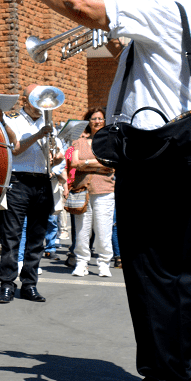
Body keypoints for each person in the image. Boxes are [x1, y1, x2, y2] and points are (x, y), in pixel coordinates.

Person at [0, 0, 191, 381]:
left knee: (149, 271)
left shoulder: (163, 7)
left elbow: (84, 7)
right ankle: (179, 370)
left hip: (159, 157)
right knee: (177, 273)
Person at [0, 86, 57, 305]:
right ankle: (7, 285)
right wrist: (39, 134)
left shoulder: (49, 121)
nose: (40, 105)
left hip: (42, 181)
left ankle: (30, 284)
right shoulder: (13, 118)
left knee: (37, 238)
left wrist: (57, 154)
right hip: (19, 180)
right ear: (26, 101)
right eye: (36, 100)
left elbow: (57, 156)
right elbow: (15, 149)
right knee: (11, 237)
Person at [68, 108, 115, 277]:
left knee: (103, 229)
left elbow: (111, 164)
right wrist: (98, 164)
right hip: (82, 190)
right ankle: (81, 262)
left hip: (104, 191)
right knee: (82, 230)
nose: (97, 121)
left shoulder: (110, 141)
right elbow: (74, 163)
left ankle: (104, 263)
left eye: (100, 119)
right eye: (94, 118)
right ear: (88, 121)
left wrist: (85, 163)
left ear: (105, 121)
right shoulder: (79, 140)